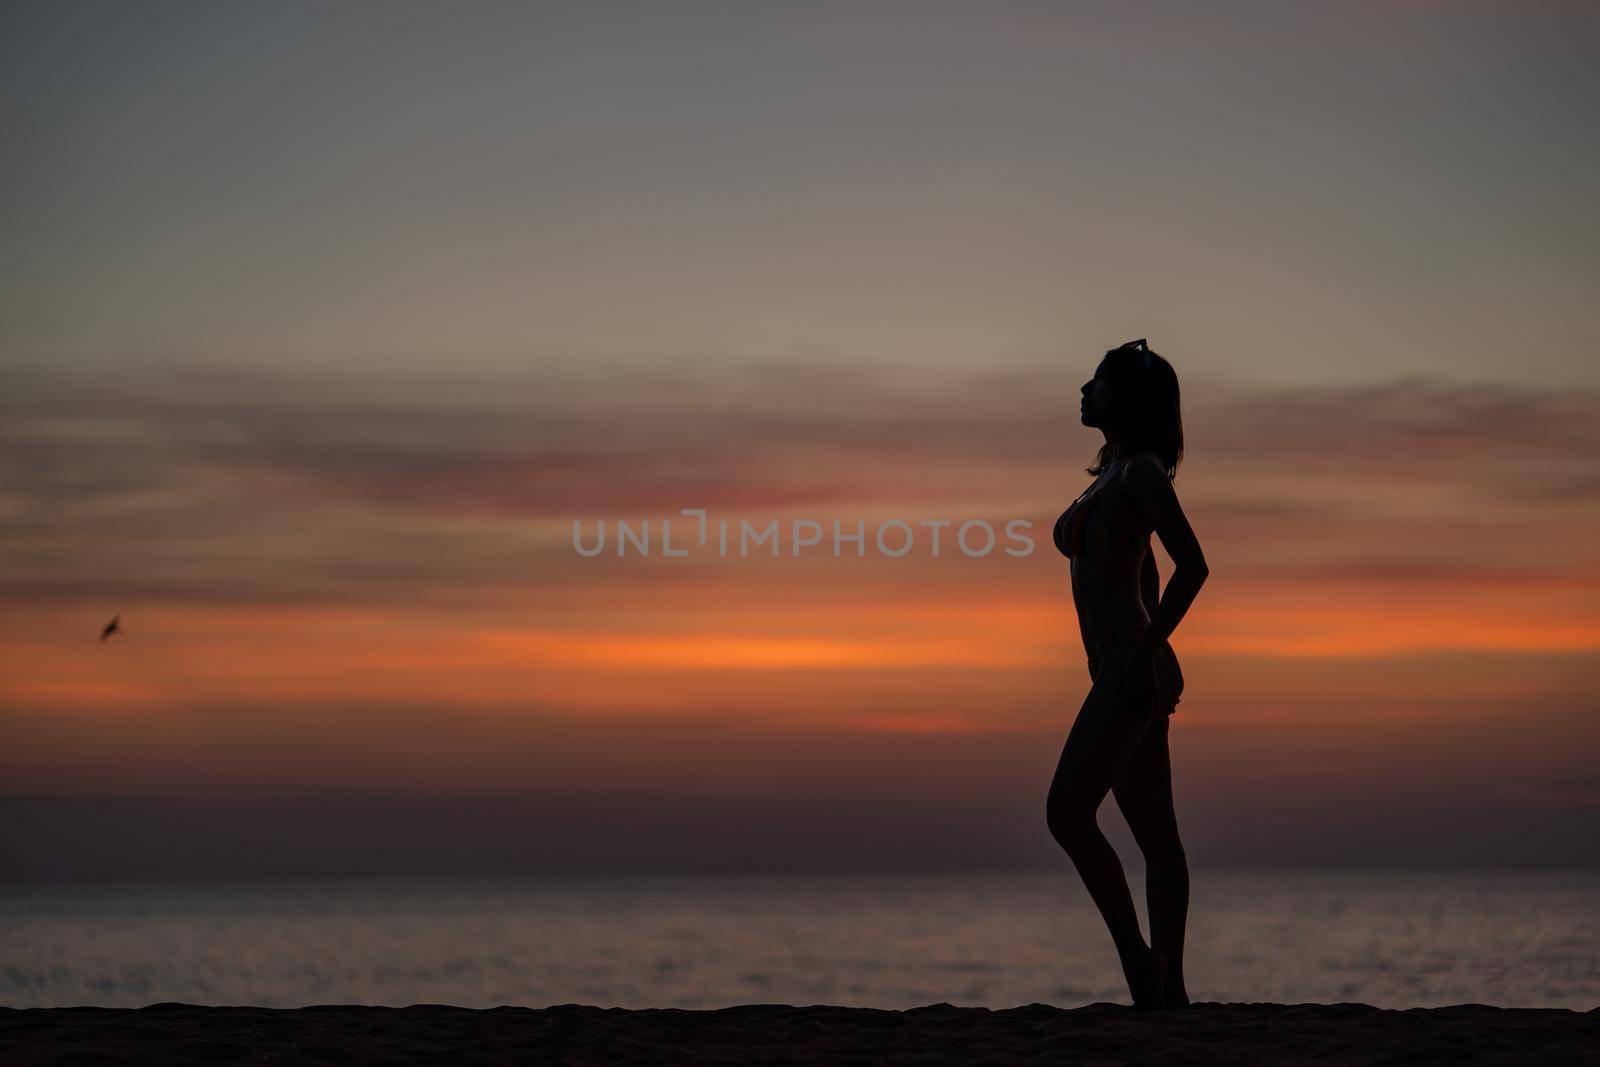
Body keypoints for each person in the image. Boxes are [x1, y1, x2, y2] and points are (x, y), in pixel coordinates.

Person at [1047, 338, 1209, 1010]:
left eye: (1099, 381)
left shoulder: (1141, 472)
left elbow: (1191, 565)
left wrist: (1146, 646)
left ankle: (1144, 969)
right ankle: (1167, 989)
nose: (1085, 390)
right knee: (1156, 836)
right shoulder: (1110, 476)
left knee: (1066, 813)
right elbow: (1140, 569)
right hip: (1119, 664)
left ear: (1128, 399)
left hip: (1127, 662)